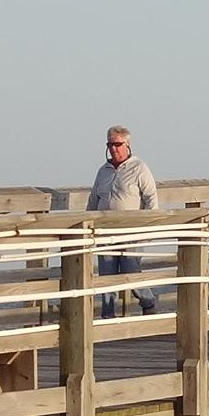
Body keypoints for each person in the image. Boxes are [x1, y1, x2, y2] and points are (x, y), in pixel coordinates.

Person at [88, 124, 161, 316]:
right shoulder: (103, 171)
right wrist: (88, 227)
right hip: (105, 232)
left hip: (132, 232)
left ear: (127, 145)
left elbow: (151, 198)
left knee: (131, 271)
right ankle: (108, 316)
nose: (114, 148)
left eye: (118, 144)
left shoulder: (139, 168)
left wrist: (149, 229)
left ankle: (148, 302)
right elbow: (94, 199)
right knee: (106, 276)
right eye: (110, 144)